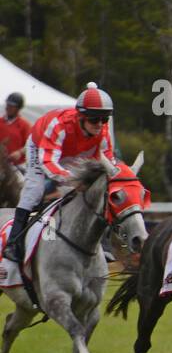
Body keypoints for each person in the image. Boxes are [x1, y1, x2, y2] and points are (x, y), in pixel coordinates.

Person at [5, 83, 116, 263]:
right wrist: (72, 180)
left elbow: (109, 159)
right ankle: (13, 243)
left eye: (105, 120)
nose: (100, 125)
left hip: (72, 153)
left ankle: (101, 245)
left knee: (97, 193)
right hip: (41, 147)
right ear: (81, 116)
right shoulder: (60, 126)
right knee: (34, 190)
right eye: (95, 120)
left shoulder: (101, 131)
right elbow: (49, 162)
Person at [2, 92, 30, 170]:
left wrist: (19, 152)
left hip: (17, 166)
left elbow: (30, 145)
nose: (8, 107)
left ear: (18, 108)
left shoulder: (25, 125)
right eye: (8, 105)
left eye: (12, 106)